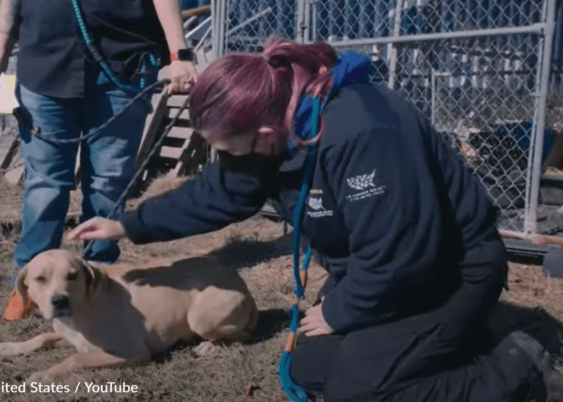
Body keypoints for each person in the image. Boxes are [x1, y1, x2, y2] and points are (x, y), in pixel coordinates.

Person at [67, 37, 563, 402]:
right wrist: (132, 225)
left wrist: (344, 311)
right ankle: (449, 344)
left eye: (224, 147)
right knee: (313, 369)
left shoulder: (366, 129)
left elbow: (402, 253)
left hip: (447, 272)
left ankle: (518, 369)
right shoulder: (274, 124)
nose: (222, 157)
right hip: (377, 272)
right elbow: (221, 192)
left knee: (359, 391)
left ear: (262, 130)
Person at [0, 0, 197, 321]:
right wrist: (0, 51)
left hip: (123, 61)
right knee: (45, 182)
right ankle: (32, 282)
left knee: (110, 178)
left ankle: (101, 277)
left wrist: (180, 54)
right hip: (44, 62)